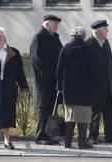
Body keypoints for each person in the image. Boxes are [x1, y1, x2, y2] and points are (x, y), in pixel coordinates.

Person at [0, 27, 28, 149]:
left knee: (7, 114)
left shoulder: (13, 53)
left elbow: (20, 72)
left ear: (5, 38)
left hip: (7, 88)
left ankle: (7, 140)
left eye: (1, 36)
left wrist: (23, 86)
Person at [56, 27, 97, 149]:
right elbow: (94, 70)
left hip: (69, 89)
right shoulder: (89, 49)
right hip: (85, 89)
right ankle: (82, 142)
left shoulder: (66, 48)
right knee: (83, 116)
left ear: (72, 36)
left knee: (70, 115)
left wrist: (59, 85)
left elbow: (59, 69)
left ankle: (67, 142)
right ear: (84, 37)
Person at [85, 20, 112, 144]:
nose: (108, 30)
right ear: (98, 31)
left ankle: (110, 136)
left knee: (109, 112)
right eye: (105, 28)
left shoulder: (106, 43)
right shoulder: (88, 44)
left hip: (107, 85)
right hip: (95, 86)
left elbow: (110, 63)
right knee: (95, 113)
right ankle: (93, 136)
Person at [30, 14, 62, 145]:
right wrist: (51, 76)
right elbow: (38, 61)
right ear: (46, 24)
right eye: (55, 23)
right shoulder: (39, 38)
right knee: (43, 109)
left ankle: (47, 134)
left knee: (50, 108)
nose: (57, 26)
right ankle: (40, 136)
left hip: (53, 81)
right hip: (43, 82)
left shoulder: (54, 38)